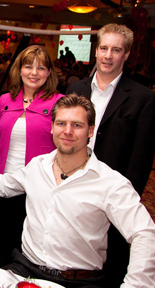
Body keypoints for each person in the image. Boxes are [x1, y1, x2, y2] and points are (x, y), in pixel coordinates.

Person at [0, 94, 155, 288]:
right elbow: (3, 185)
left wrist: (136, 284)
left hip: (78, 281)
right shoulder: (38, 166)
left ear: (90, 130)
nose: (67, 131)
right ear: (51, 127)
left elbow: (144, 232)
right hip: (26, 272)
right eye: (61, 123)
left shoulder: (109, 182)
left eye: (77, 125)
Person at [67, 23, 155, 286]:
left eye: (116, 50)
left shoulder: (143, 98)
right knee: (73, 258)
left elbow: (140, 160)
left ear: (126, 55)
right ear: (96, 51)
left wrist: (124, 201)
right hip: (73, 186)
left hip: (112, 196)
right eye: (104, 48)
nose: (108, 55)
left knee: (110, 265)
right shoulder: (76, 90)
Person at [0, 45, 64, 267]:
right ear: (19, 70)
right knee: (3, 243)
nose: (34, 72)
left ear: (49, 72)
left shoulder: (59, 102)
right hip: (4, 182)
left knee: (30, 247)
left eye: (41, 68)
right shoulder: (4, 100)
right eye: (28, 66)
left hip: (38, 186)